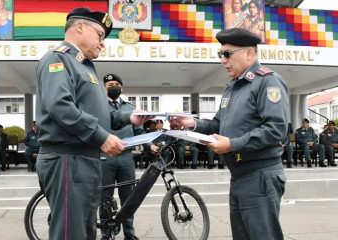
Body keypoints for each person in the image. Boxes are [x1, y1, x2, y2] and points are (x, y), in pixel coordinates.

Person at [35, 7, 151, 240]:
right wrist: (102, 137)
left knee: (87, 231)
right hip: (68, 159)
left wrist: (128, 118)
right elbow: (61, 107)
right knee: (71, 232)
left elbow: (99, 115)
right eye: (100, 35)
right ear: (79, 27)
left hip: (85, 160)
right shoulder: (58, 59)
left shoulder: (85, 66)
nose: (102, 43)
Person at [170, 28, 289, 240]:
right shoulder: (233, 87)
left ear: (249, 53)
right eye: (220, 54)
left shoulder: (267, 82)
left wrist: (233, 144)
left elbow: (276, 129)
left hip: (259, 175)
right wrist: (192, 123)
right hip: (239, 175)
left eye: (227, 54)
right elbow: (218, 123)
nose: (222, 60)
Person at [100, 73, 158, 240]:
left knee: (129, 198)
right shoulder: (100, 107)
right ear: (104, 88)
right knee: (105, 197)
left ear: (122, 87)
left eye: (117, 83)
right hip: (105, 158)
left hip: (126, 158)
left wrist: (150, 145)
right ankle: (106, 233)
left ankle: (129, 233)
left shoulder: (130, 108)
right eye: (110, 84)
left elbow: (139, 132)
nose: (114, 86)